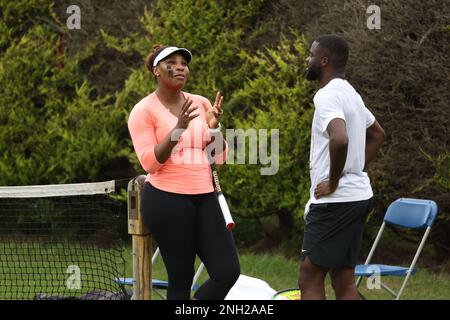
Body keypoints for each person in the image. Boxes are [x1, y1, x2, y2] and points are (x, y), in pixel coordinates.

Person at [128, 45, 240, 300]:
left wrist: (214, 127)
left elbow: (220, 157)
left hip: (205, 197)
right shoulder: (143, 110)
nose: (180, 67)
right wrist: (178, 128)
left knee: (227, 272)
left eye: (183, 63)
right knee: (181, 280)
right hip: (167, 201)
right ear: (156, 70)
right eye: (172, 62)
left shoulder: (200, 102)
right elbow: (149, 163)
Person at [299, 34, 386, 300]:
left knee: (309, 277)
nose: (308, 59)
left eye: (311, 55)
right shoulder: (351, 93)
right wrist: (354, 169)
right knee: (343, 279)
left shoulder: (326, 96)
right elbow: (378, 134)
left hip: (335, 202)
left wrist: (336, 181)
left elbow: (340, 138)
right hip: (358, 196)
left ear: (323, 60)